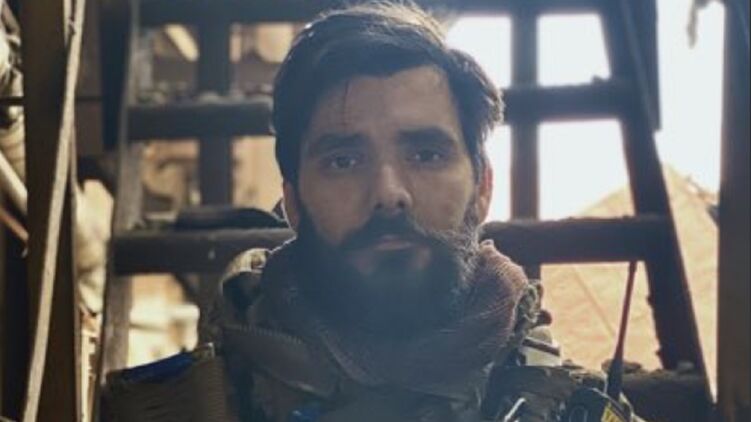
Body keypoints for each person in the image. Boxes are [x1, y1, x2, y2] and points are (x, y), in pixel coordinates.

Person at [206, 3, 640, 421]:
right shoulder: (197, 399)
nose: (389, 194)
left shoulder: (566, 406)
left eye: (426, 155)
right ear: (294, 203)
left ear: (482, 188)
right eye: (344, 161)